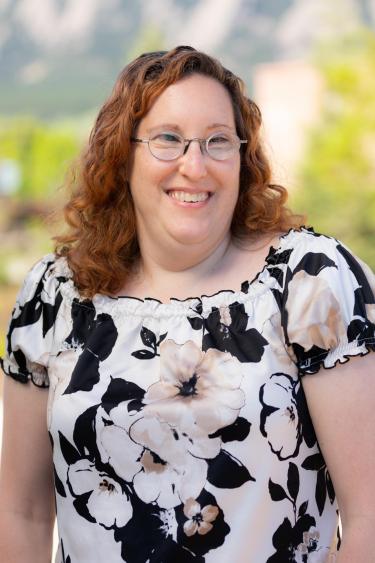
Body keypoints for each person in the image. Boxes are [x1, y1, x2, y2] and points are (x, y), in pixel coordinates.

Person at [0, 45, 374, 563]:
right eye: (168, 139)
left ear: (242, 159)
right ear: (121, 156)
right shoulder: (54, 296)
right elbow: (22, 512)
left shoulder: (309, 282)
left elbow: (370, 518)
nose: (194, 165)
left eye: (218, 141)